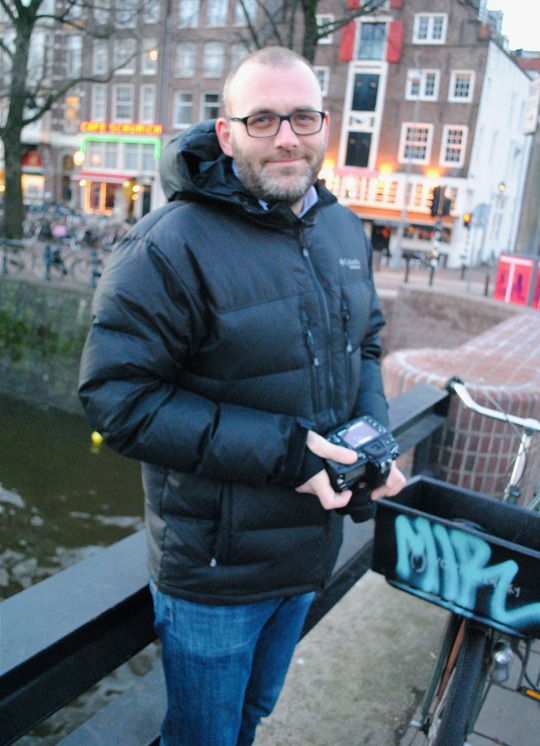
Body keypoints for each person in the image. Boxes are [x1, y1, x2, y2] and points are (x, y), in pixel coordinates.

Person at [79, 46, 405, 746]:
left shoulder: (341, 228)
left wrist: (373, 439)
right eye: (262, 120)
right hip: (216, 575)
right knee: (204, 737)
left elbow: (365, 345)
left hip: (308, 551)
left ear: (325, 126)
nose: (286, 137)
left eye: (302, 118)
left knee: (253, 718)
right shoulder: (166, 246)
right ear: (226, 135)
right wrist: (291, 456)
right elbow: (117, 399)